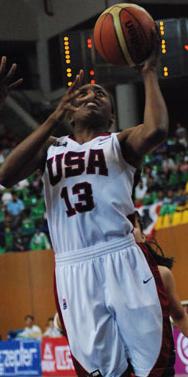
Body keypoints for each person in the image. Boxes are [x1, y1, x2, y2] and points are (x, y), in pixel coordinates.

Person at [0, 28, 170, 376]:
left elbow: (156, 130)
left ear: (111, 116)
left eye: (100, 94)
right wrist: (50, 119)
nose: (91, 95)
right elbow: (5, 174)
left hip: (123, 258)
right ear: (68, 113)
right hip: (73, 267)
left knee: (154, 367)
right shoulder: (50, 147)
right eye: (81, 95)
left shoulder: (119, 143)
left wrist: (149, 73)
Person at [129, 211, 188, 377]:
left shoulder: (162, 275)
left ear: (143, 235)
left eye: (132, 225)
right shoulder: (102, 283)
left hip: (159, 368)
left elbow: (180, 316)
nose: (128, 231)